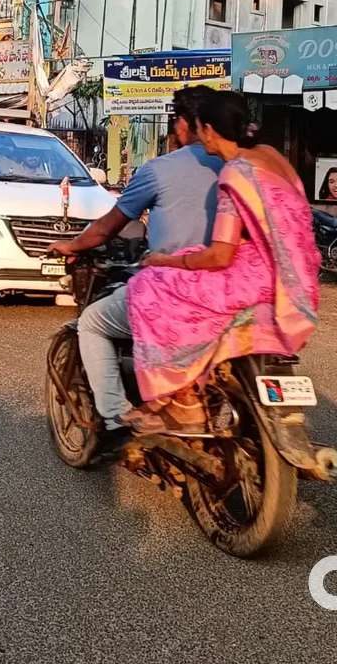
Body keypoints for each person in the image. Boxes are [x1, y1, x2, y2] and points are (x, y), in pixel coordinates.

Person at [123, 90, 321, 434]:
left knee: (148, 284)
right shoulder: (272, 155)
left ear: (210, 130)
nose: (199, 137)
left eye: (200, 128)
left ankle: (182, 400)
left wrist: (164, 260)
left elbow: (219, 256)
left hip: (260, 278)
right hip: (301, 277)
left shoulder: (234, 175)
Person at [47, 85, 224, 431]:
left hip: (178, 288)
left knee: (92, 322)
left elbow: (107, 227)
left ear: (182, 125)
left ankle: (116, 417)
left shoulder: (160, 169)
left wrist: (73, 245)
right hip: (235, 290)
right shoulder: (241, 167)